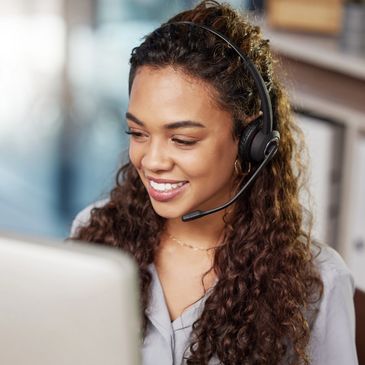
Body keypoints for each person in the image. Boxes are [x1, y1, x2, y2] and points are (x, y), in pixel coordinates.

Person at [70, 1, 358, 364]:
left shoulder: (318, 283)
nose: (152, 160)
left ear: (251, 140)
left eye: (183, 140)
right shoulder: (95, 233)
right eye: (138, 132)